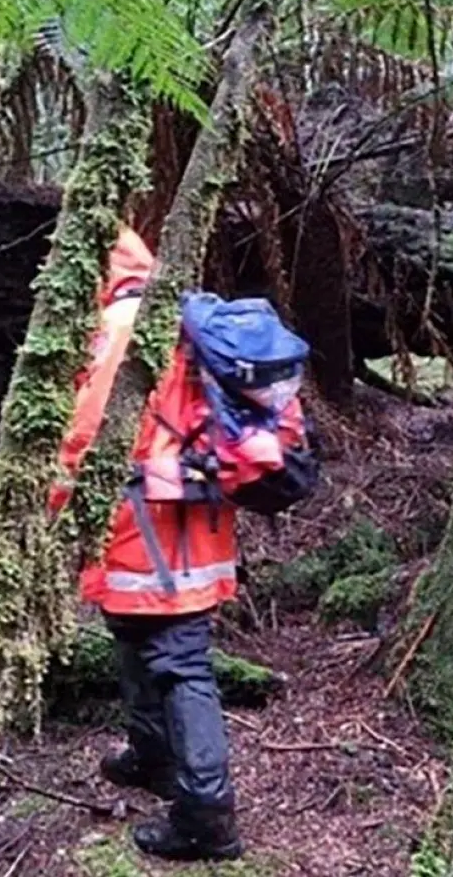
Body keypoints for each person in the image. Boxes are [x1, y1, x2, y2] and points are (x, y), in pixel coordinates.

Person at [50, 226, 316, 862]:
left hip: (149, 526)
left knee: (179, 659)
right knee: (134, 635)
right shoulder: (176, 315)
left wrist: (55, 504)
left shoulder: (121, 327)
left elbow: (83, 432)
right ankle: (153, 757)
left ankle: (206, 814)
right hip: (184, 522)